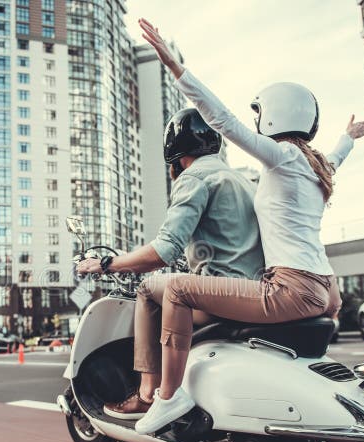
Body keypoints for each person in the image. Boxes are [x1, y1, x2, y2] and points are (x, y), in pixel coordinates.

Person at [127, 18, 364, 435]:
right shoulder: (314, 167)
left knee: (179, 287)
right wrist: (347, 137)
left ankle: (166, 397)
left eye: (259, 114)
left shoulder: (282, 157)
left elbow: (221, 120)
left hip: (292, 287)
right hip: (327, 288)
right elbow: (337, 158)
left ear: (273, 116)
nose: (254, 122)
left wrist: (176, 68)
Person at [77, 108, 265, 420]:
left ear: (174, 153)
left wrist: (108, 263)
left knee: (148, 289)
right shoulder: (242, 180)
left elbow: (163, 250)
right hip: (255, 291)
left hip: (222, 292)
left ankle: (147, 392)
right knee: (172, 289)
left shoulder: (194, 177)